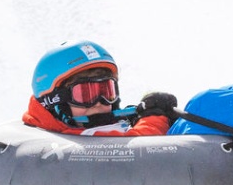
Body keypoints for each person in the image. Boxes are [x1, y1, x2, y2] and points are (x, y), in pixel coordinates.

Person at [22, 40, 177, 137]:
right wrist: (157, 118)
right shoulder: (66, 142)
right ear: (54, 102)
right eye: (85, 94)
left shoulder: (103, 126)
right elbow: (130, 149)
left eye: (106, 92)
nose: (99, 102)